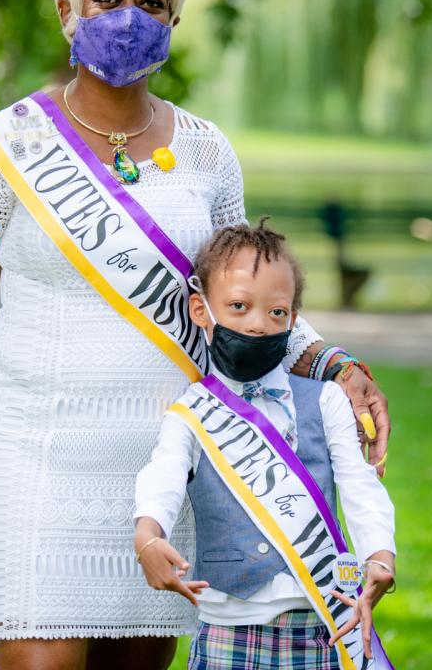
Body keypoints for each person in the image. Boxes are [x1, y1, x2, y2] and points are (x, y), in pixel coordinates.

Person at [0, 0, 391, 670]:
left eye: (152, 3)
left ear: (174, 18)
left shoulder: (207, 151)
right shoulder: (3, 151)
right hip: (34, 462)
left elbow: (244, 299)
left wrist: (333, 364)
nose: (129, 18)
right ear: (66, 12)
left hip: (165, 469)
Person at [134, 221, 396, 669]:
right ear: (201, 310)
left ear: (293, 320)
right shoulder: (190, 411)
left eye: (276, 313)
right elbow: (164, 474)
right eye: (238, 306)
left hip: (322, 627)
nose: (257, 324)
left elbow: (359, 485)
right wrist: (147, 535)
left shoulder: (327, 399)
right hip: (226, 627)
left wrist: (380, 555)